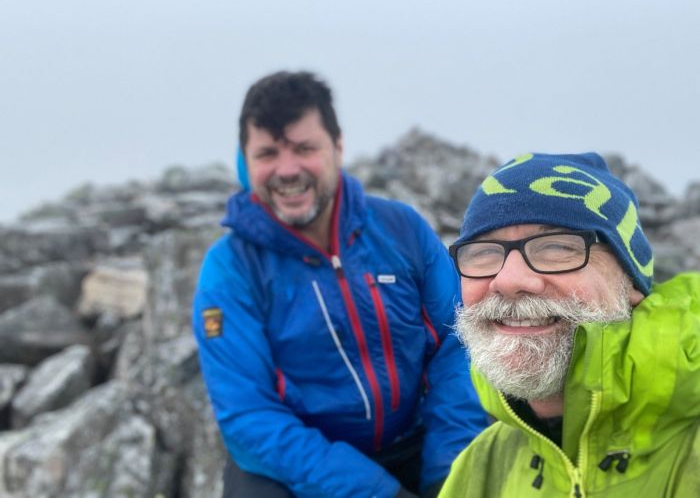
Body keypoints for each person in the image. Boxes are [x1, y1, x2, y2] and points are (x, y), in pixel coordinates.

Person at [192, 71, 487, 498]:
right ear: (245, 160)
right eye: (268, 153)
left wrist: (449, 473)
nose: (287, 170)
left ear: (338, 147)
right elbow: (249, 415)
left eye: (304, 148)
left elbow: (460, 344)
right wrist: (377, 493)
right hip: (299, 467)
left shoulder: (401, 230)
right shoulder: (231, 269)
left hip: (418, 441)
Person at [439, 152, 700, 497]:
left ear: (631, 281)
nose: (509, 280)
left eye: (556, 247)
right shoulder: (483, 463)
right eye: (483, 252)